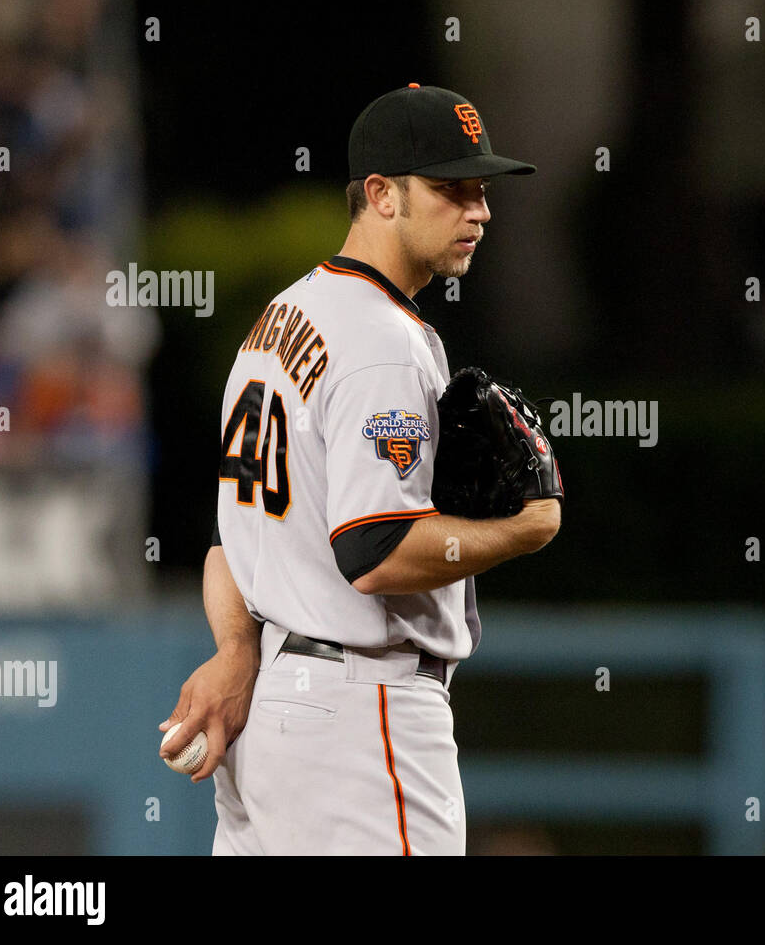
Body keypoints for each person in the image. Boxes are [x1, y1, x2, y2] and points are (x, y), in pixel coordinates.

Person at [159, 84, 561, 855]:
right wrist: (524, 529)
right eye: (451, 189)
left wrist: (239, 651)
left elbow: (227, 535)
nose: (478, 210)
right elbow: (373, 553)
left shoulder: (280, 317)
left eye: (481, 190)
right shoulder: (383, 341)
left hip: (272, 722)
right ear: (380, 193)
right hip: (359, 724)